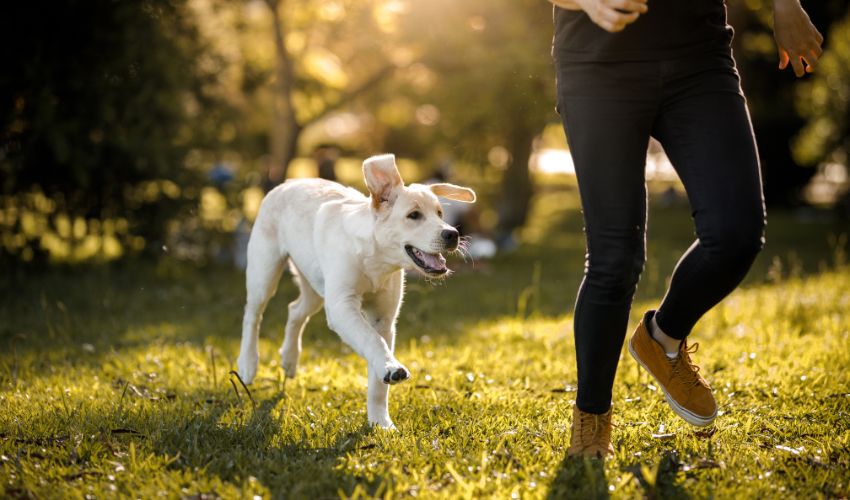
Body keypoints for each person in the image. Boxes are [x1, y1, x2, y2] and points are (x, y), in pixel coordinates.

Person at [548, 0, 823, 458]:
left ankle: (663, 338)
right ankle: (591, 419)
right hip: (598, 66)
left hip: (698, 57)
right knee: (615, 260)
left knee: (737, 233)